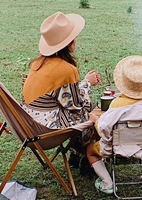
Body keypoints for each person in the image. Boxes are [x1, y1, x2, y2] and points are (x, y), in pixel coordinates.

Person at [86, 55, 142, 195]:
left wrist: (96, 120)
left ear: (123, 83)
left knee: (90, 151)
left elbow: (103, 128)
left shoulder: (115, 105)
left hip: (114, 148)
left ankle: (108, 183)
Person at [23, 11, 101, 141]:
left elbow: (63, 95)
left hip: (28, 122)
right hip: (46, 128)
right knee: (91, 113)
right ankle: (86, 155)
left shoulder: (38, 63)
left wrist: (85, 82)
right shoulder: (66, 69)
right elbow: (76, 107)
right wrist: (87, 84)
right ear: (70, 42)